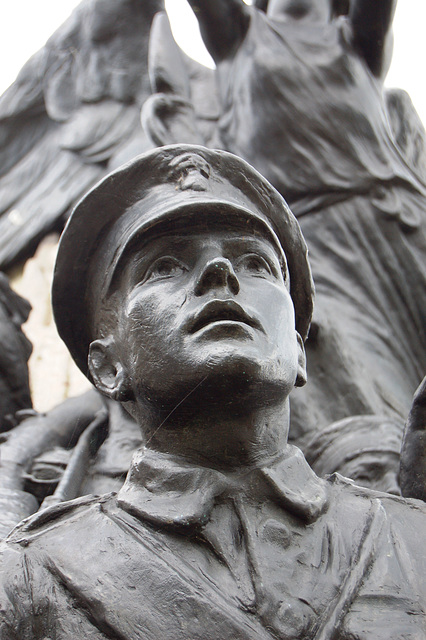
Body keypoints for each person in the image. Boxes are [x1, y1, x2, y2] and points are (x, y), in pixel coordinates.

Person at [0, 145, 424, 639]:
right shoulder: (29, 580)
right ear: (107, 367)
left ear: (300, 352)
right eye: (162, 267)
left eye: (257, 264)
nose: (219, 272)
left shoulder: (411, 539)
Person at [184, 0, 426, 439]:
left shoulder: (356, 40)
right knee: (363, 370)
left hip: (403, 222)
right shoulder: (239, 37)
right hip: (312, 243)